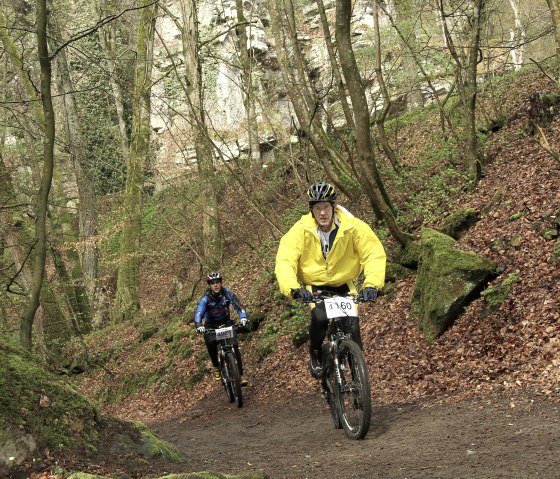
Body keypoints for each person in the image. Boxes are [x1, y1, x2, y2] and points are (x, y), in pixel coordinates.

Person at [275, 181, 386, 379]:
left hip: (344, 284)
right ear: (311, 210)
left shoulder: (353, 226)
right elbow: (285, 260)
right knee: (319, 318)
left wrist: (372, 284)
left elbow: (373, 254)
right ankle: (316, 352)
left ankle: (358, 377)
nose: (322, 213)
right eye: (317, 208)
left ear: (333, 207)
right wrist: (293, 288)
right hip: (316, 285)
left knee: (352, 325)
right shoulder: (300, 230)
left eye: (325, 206)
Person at [194, 272, 249, 386]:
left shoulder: (227, 293)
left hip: (226, 322)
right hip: (211, 325)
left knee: (234, 346)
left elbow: (238, 305)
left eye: (218, 282)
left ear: (221, 283)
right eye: (213, 283)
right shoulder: (205, 299)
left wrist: (243, 317)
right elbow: (198, 313)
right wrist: (199, 325)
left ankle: (240, 375)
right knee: (210, 343)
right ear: (209, 285)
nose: (216, 285)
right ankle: (216, 367)